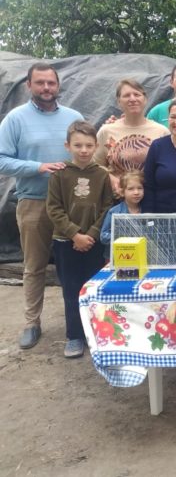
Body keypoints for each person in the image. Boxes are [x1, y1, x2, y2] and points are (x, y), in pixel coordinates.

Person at [0, 63, 84, 349]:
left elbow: (88, 148)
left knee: (73, 266)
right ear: (29, 85)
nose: (46, 88)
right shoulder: (16, 119)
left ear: (58, 85)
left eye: (51, 83)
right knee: (34, 266)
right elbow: (2, 159)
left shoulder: (73, 117)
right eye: (40, 83)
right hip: (33, 203)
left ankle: (78, 323)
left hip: (72, 205)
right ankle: (32, 322)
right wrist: (38, 167)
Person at [46, 121, 112, 358]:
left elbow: (107, 207)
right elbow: (54, 208)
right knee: (71, 288)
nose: (83, 150)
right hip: (66, 242)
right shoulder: (59, 174)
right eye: (78, 145)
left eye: (88, 145)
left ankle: (97, 332)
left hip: (94, 243)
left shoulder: (102, 175)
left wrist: (91, 234)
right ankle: (75, 335)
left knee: (94, 287)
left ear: (96, 146)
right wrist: (74, 234)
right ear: (68, 146)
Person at [94, 79, 169, 195]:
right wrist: (109, 177)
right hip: (116, 198)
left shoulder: (162, 132)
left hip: (152, 196)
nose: (132, 99)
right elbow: (94, 165)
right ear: (119, 101)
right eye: (126, 95)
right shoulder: (106, 131)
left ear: (145, 99)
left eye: (137, 94)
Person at [101, 170, 144, 258]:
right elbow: (103, 236)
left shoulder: (146, 211)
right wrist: (123, 237)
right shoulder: (114, 212)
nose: (136, 192)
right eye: (131, 189)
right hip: (117, 257)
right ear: (122, 192)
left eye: (140, 188)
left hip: (141, 256)